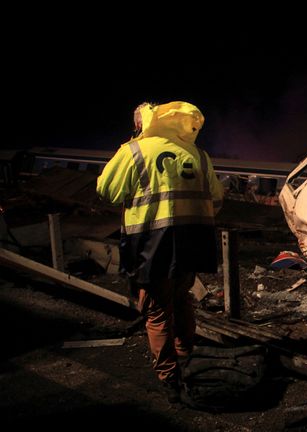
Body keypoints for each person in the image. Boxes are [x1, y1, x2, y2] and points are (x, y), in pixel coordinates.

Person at [96, 101, 223, 402]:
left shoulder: (134, 151)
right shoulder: (197, 153)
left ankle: (169, 378)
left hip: (151, 243)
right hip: (191, 240)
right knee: (182, 299)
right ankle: (187, 357)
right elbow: (216, 197)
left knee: (156, 311)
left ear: (141, 124)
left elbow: (107, 190)